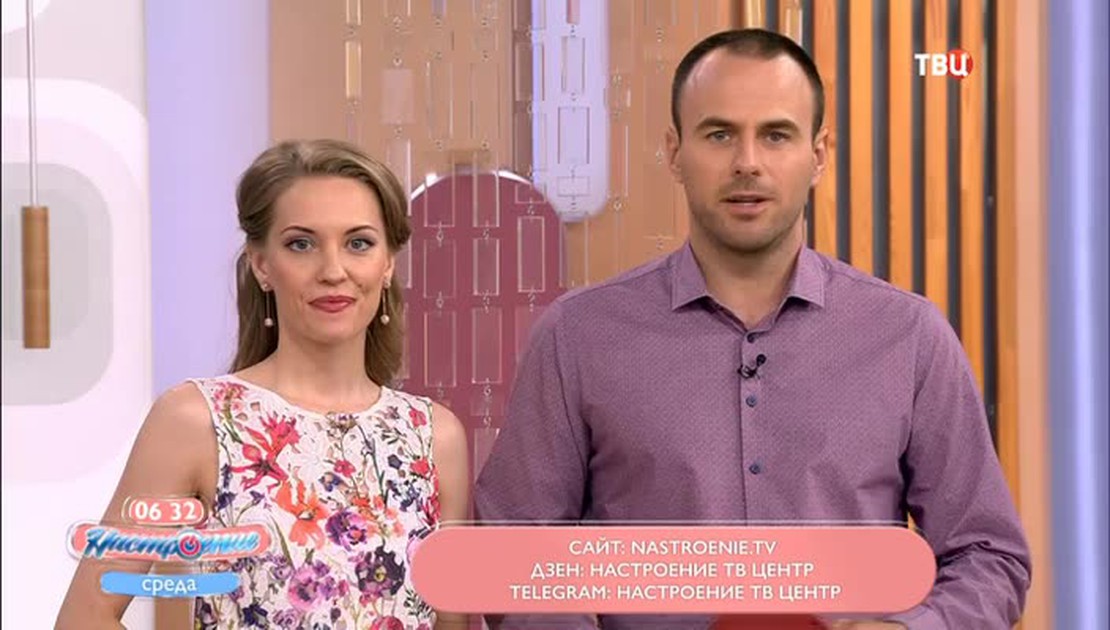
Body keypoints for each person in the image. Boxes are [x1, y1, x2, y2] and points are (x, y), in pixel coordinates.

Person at [474, 29, 1031, 629]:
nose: (747, 162)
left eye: (776, 134)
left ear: (819, 155)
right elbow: (513, 549)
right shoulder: (578, 335)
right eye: (719, 134)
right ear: (674, 152)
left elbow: (988, 555)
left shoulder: (910, 336)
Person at [56, 139, 470, 629]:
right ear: (261, 264)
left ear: (388, 265)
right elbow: (85, 617)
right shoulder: (195, 420)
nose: (333, 271)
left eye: (358, 243)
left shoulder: (434, 435)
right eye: (301, 244)